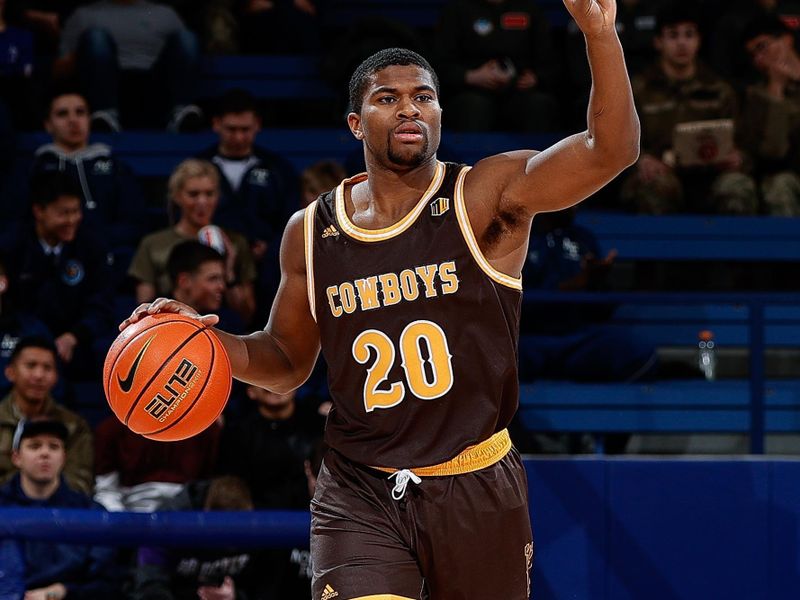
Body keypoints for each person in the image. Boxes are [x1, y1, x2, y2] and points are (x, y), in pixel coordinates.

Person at [122, 1, 640, 594]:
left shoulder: (486, 195)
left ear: (441, 114)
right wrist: (210, 344)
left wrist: (600, 32)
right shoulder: (311, 231)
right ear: (355, 122)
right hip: (359, 487)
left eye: (423, 96)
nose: (409, 107)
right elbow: (289, 360)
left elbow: (611, 150)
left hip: (474, 482)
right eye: (387, 98)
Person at [620, 3, 758, 215]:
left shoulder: (719, 89)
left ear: (699, 41)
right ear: (658, 42)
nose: (682, 43)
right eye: (673, 35)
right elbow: (620, 142)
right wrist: (641, 161)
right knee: (651, 187)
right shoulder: (637, 89)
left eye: (689, 35)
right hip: (662, 173)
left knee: (738, 186)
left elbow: (744, 142)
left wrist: (738, 157)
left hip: (712, 176)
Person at [0, 88, 147, 251]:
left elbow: (134, 223)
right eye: (62, 114)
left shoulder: (116, 167)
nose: (73, 120)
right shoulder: (32, 169)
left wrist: (91, 240)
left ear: (89, 119)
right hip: (44, 257)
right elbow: (15, 222)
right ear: (48, 125)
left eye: (80, 112)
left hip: (105, 253)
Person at [0, 171, 115, 375]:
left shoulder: (91, 246)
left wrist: (74, 336)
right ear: (39, 211)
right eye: (63, 213)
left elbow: (101, 304)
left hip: (77, 346)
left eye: (76, 211)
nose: (72, 220)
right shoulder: (11, 247)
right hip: (21, 343)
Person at [0, 417, 120, 598]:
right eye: (34, 446)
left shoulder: (90, 512)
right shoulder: (2, 506)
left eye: (54, 446)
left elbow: (108, 581)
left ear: (64, 457)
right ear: (16, 457)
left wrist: (62, 591)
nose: (45, 453)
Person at [128, 159, 257, 326]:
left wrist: (229, 272)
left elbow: (247, 314)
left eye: (209, 194)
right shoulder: (153, 244)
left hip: (226, 328)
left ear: (218, 196)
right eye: (193, 194)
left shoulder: (234, 242)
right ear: (177, 196)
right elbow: (144, 309)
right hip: (169, 328)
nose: (202, 202)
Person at [53, 0, 203, 131]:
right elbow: (60, 71)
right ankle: (105, 115)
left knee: (186, 37)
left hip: (156, 90)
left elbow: (185, 57)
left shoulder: (166, 14)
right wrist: (80, 54)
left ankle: (180, 113)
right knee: (96, 37)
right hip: (106, 88)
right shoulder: (84, 15)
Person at [197, 88, 300, 264]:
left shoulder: (278, 168)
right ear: (216, 124)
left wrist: (272, 248)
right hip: (209, 257)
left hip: (270, 264)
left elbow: (292, 218)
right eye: (231, 129)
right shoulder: (198, 167)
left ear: (257, 124)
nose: (238, 137)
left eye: (245, 129)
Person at [433, 0, 560, 131]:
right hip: (471, 91)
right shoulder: (457, 10)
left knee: (539, 105)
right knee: (473, 106)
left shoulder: (530, 9)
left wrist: (536, 78)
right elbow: (438, 65)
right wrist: (470, 76)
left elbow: (550, 62)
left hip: (520, 90)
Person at [0, 336, 93, 493]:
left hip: (59, 513)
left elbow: (80, 483)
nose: (39, 375)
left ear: (56, 377)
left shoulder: (74, 425)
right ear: (10, 372)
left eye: (47, 368)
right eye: (31, 366)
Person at [740, 12, 800, 215]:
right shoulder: (756, 96)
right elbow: (774, 151)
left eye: (762, 47)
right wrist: (776, 91)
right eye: (753, 56)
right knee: (778, 187)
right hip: (788, 176)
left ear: (786, 40)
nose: (759, 59)